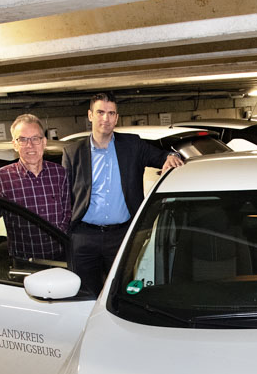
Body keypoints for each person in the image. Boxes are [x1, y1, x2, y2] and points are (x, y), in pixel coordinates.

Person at [64, 91, 184, 295]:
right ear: (90, 115)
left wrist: (172, 156)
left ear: (117, 118)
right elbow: (64, 193)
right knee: (84, 294)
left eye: (111, 113)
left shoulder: (132, 145)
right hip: (84, 237)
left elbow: (162, 156)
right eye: (100, 112)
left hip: (121, 236)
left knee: (120, 292)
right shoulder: (73, 152)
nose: (106, 118)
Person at [0, 114, 71, 266]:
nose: (30, 145)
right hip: (24, 263)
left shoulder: (60, 173)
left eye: (35, 138)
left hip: (60, 259)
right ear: (14, 144)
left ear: (44, 142)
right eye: (23, 139)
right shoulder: (1, 178)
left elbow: (68, 214)